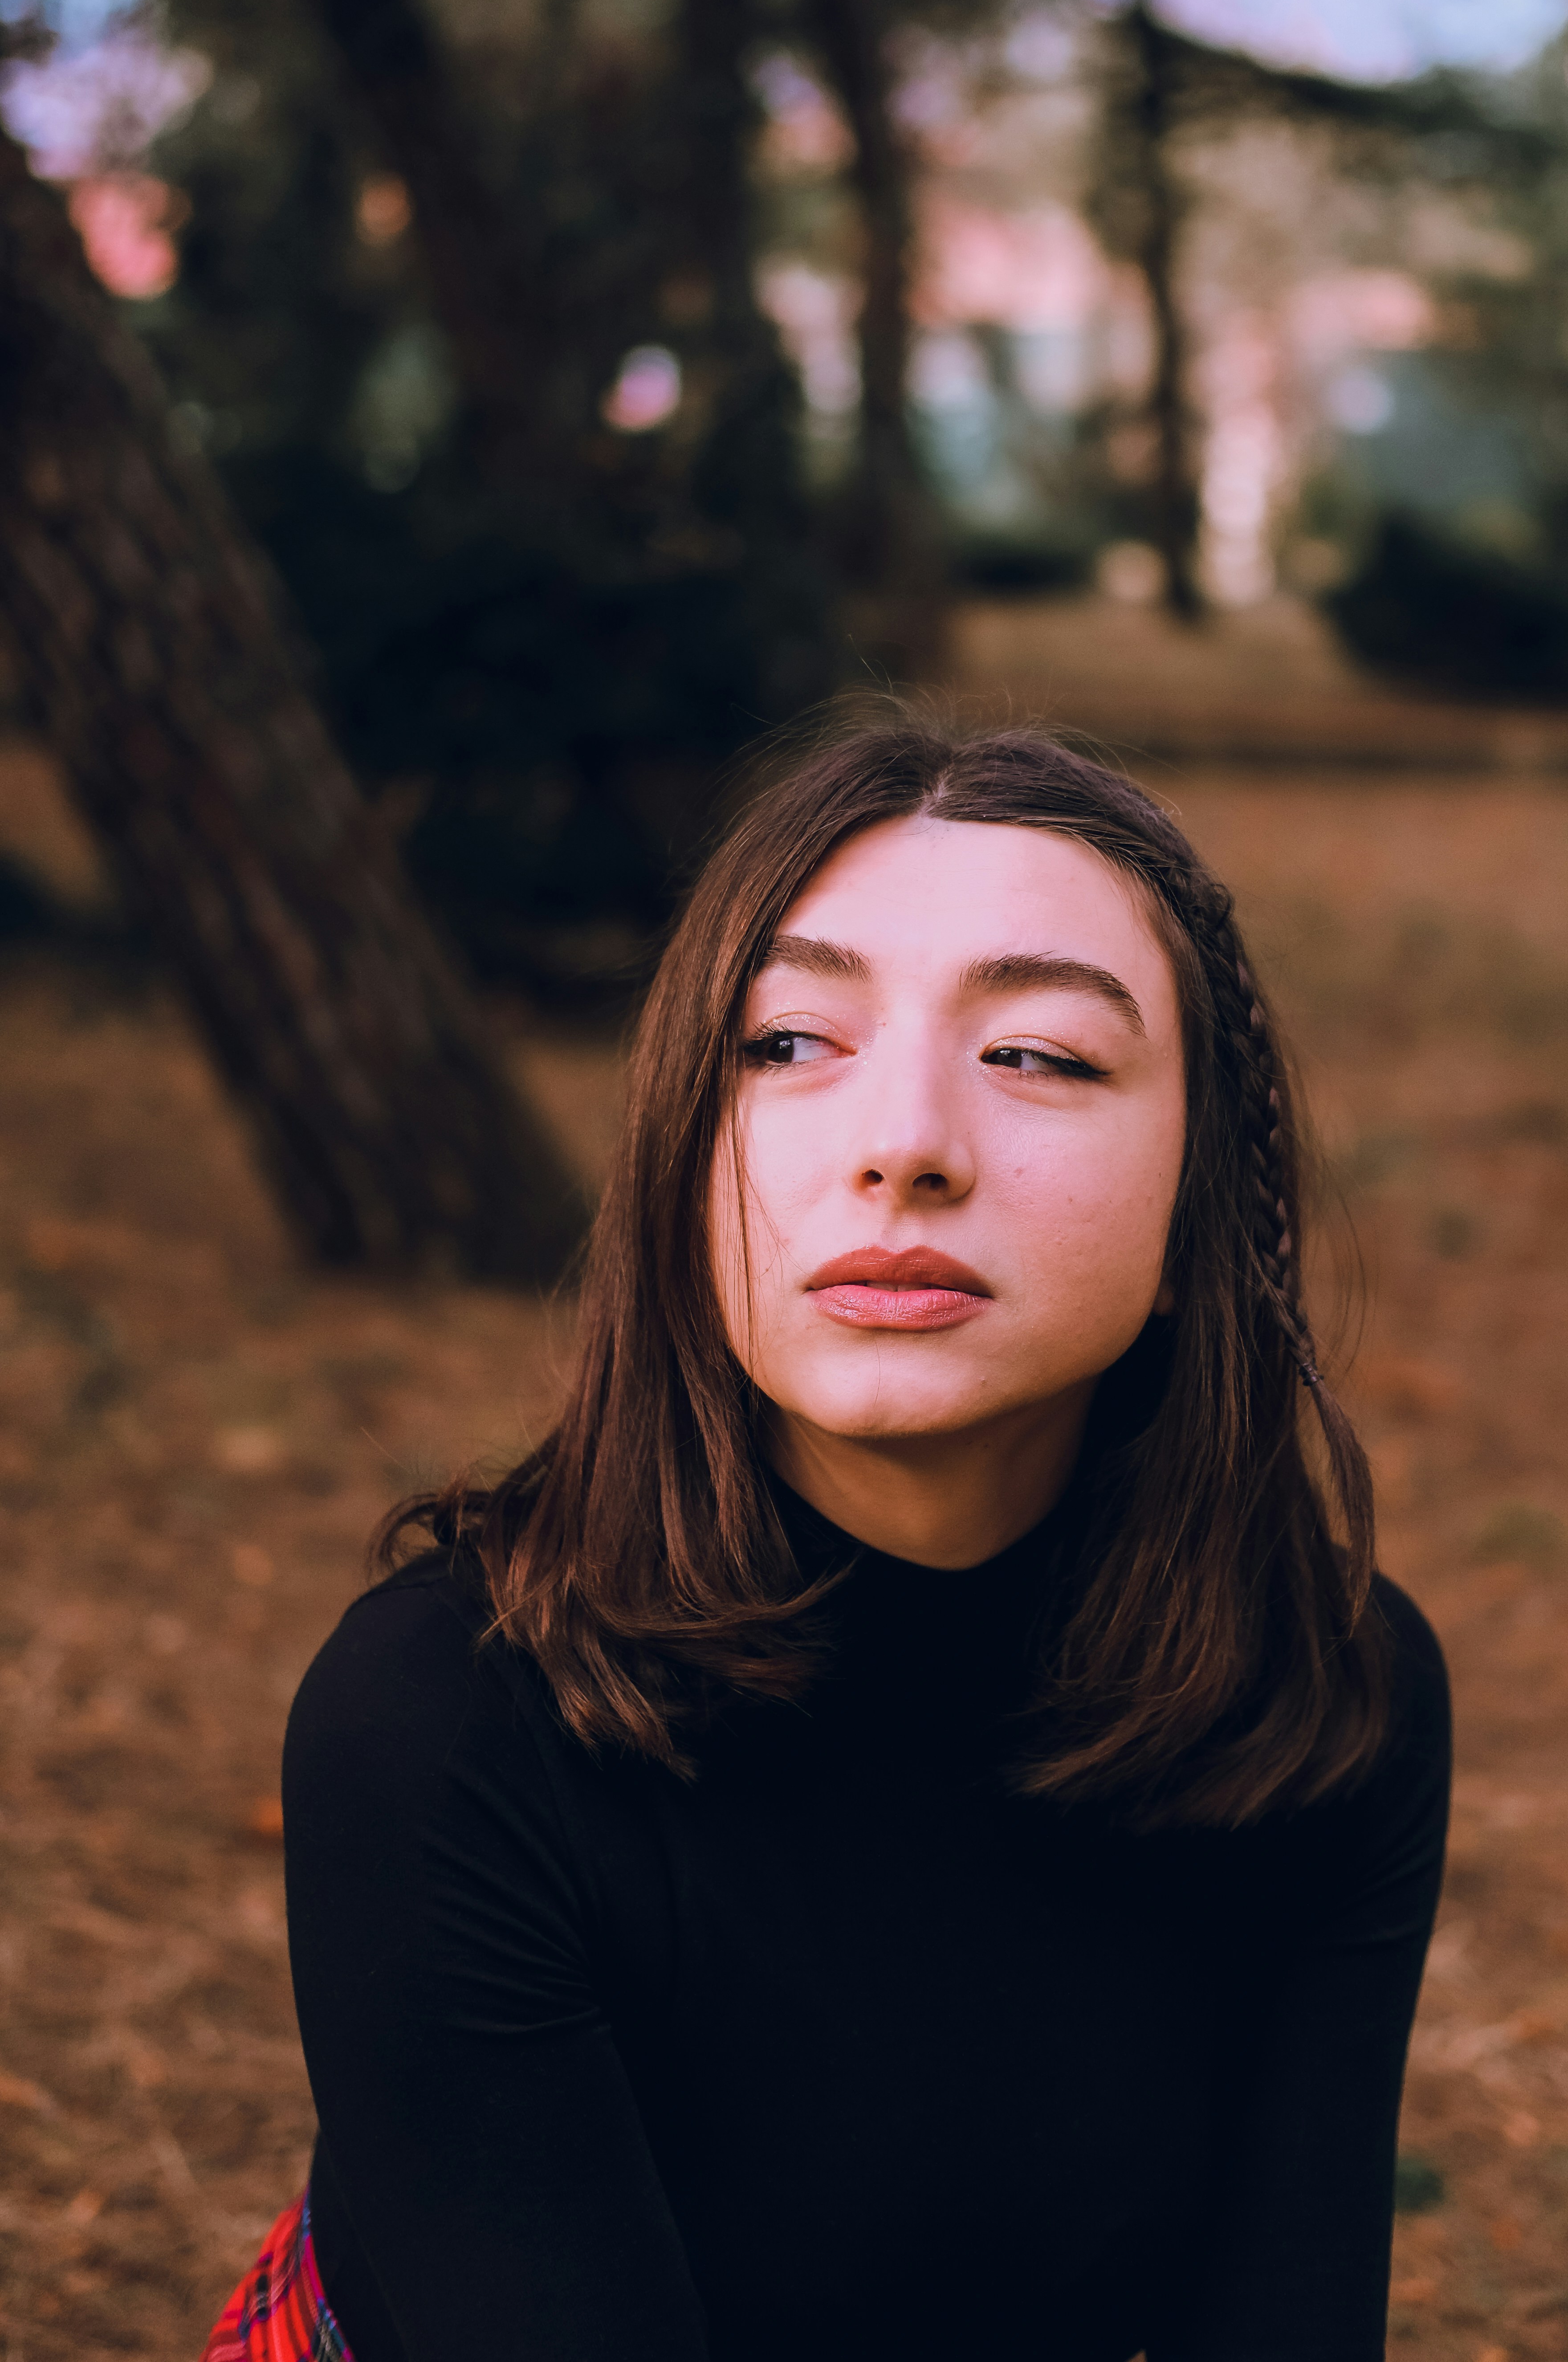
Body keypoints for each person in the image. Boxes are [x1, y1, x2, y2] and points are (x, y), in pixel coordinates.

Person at [203, 717, 1450, 2362]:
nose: (905, 1145)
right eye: (791, 1042)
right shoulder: (450, 1717)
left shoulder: (1325, 1696)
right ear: (681, 1161)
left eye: (1040, 1055)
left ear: (1191, 1211)